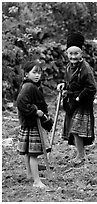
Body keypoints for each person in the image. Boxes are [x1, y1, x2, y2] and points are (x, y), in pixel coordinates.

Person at [57, 32, 96, 165]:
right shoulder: (68, 67)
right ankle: (81, 154)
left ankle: (81, 156)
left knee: (76, 128)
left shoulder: (86, 68)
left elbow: (91, 88)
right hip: (71, 102)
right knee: (73, 129)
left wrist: (79, 98)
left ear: (81, 53)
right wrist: (64, 85)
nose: (73, 57)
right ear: (66, 54)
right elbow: (69, 82)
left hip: (82, 102)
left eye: (76, 54)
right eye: (70, 54)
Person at [16, 61, 53, 190]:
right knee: (33, 154)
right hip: (32, 124)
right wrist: (34, 111)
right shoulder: (29, 87)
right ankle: (36, 181)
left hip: (28, 123)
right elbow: (21, 103)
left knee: (28, 152)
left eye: (39, 72)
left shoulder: (34, 86)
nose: (37, 75)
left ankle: (30, 174)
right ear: (26, 74)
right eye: (34, 72)